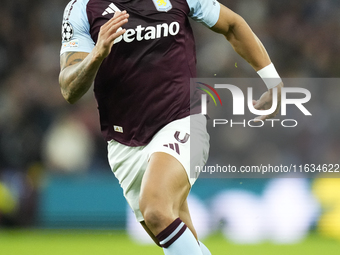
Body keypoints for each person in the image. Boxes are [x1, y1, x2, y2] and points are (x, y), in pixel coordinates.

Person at [59, 0, 282, 254]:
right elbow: (69, 88)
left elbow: (232, 25)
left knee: (155, 208)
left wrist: (272, 81)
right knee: (179, 240)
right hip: (124, 142)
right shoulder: (82, 8)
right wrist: (96, 55)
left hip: (182, 118)